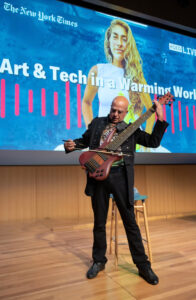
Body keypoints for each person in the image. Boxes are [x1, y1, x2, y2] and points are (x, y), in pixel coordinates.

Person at [64, 95, 169, 285]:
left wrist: (160, 117)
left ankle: (143, 266)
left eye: (120, 111)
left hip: (121, 177)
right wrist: (72, 146)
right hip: (97, 177)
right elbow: (85, 141)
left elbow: (153, 142)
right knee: (99, 222)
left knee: (130, 223)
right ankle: (98, 261)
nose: (115, 114)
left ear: (126, 112)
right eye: (113, 109)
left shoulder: (131, 129)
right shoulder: (97, 123)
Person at [82, 19, 155, 135]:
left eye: (124, 39)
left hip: (132, 143)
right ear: (109, 40)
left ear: (128, 44)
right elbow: (86, 102)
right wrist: (90, 133)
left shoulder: (136, 76)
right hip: (104, 141)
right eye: (115, 37)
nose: (119, 43)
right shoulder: (98, 70)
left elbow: (151, 111)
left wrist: (146, 142)